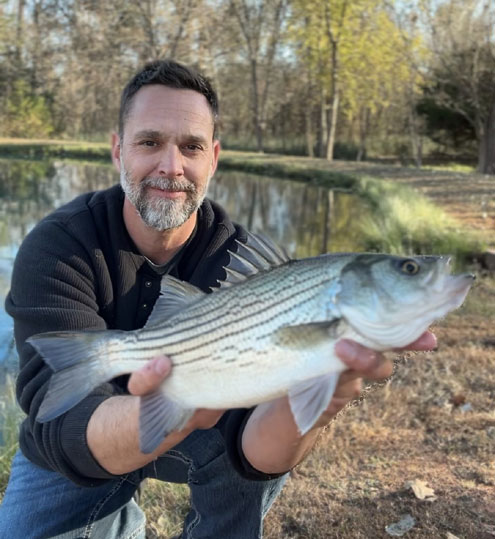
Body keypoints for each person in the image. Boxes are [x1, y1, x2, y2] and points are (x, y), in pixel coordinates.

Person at [0, 59, 436, 538]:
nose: (172, 166)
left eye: (191, 146)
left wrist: (310, 403)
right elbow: (54, 416)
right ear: (117, 149)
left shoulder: (244, 263)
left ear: (214, 157)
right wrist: (160, 413)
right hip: (84, 437)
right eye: (149, 142)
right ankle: (116, 516)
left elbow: (255, 456)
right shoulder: (58, 245)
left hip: (210, 434)